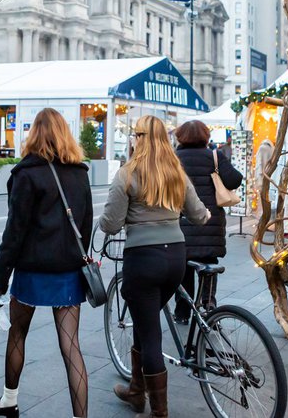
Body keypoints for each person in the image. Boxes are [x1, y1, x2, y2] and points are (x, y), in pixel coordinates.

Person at [0, 108, 93, 418]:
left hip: (32, 270)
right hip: (68, 272)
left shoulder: (26, 174)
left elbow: (14, 234)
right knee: (71, 347)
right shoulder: (80, 173)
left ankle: (9, 401)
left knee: (17, 334)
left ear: (34, 135)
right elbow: (85, 226)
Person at [101, 115, 209, 418]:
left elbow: (110, 224)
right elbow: (200, 215)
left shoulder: (128, 173)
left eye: (135, 134)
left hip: (143, 260)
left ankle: (159, 412)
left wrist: (103, 220)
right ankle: (136, 391)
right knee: (146, 322)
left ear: (139, 138)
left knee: (150, 335)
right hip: (175, 258)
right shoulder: (176, 172)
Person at [172, 120, 243, 322]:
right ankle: (208, 308)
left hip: (182, 223)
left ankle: (183, 312)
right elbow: (235, 179)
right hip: (209, 224)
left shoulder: (175, 158)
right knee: (208, 266)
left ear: (180, 137)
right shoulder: (214, 156)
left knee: (184, 269)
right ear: (205, 136)